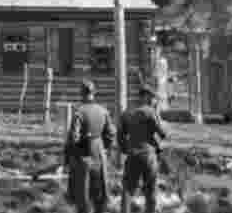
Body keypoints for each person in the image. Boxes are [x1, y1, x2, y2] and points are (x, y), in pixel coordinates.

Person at [63, 80, 116, 213]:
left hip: (83, 158)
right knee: (99, 196)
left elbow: (73, 138)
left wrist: (69, 157)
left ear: (81, 94)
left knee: (83, 197)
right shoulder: (103, 111)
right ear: (94, 93)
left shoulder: (79, 113)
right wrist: (103, 148)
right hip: (99, 156)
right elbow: (111, 134)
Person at [119, 84, 168, 213]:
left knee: (128, 189)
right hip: (148, 156)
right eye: (152, 97)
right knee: (151, 190)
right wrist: (156, 114)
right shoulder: (151, 111)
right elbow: (163, 134)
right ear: (146, 97)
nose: (153, 100)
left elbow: (120, 135)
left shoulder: (127, 113)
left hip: (132, 154)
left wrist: (126, 149)